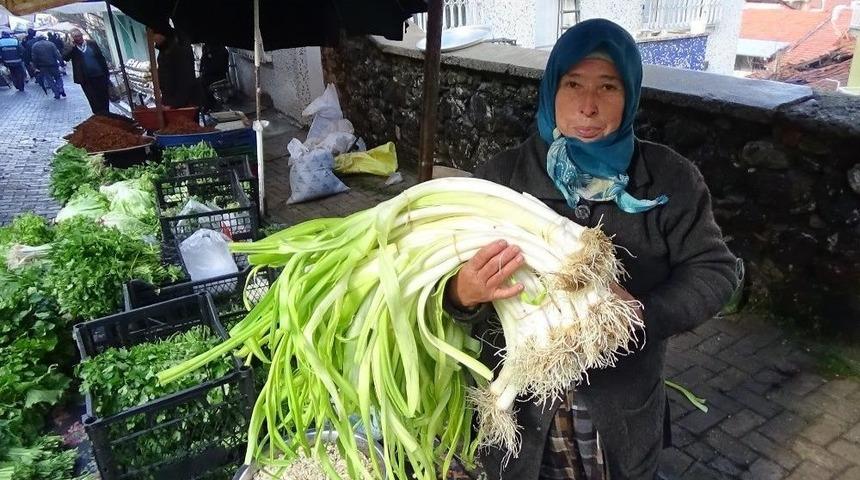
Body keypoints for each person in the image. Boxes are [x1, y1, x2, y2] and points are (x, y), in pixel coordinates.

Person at [444, 19, 738, 480]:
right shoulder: (499, 181)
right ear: (550, 89)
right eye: (573, 84)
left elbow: (716, 270)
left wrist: (642, 315)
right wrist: (461, 293)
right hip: (520, 414)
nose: (587, 106)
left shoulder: (669, 178)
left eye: (608, 87)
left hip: (618, 411)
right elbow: (440, 284)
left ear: (631, 94)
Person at [152, 27, 203, 108]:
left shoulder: (177, 48)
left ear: (161, 34)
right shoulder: (165, 49)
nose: (152, 38)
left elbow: (184, 79)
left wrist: (175, 104)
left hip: (181, 102)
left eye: (153, 34)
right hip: (172, 100)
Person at [63, 29, 110, 114]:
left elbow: (100, 57)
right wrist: (71, 47)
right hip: (85, 79)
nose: (78, 38)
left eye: (79, 35)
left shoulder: (91, 43)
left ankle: (107, 113)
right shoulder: (72, 48)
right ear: (72, 38)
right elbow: (65, 58)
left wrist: (106, 72)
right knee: (93, 99)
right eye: (75, 37)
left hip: (100, 75)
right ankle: (99, 115)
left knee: (104, 96)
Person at [30, 35, 65, 99]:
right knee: (58, 77)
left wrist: (35, 66)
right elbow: (57, 54)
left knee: (49, 80)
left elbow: (34, 58)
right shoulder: (51, 44)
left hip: (43, 66)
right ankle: (61, 89)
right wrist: (61, 61)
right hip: (53, 64)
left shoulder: (35, 46)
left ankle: (56, 93)